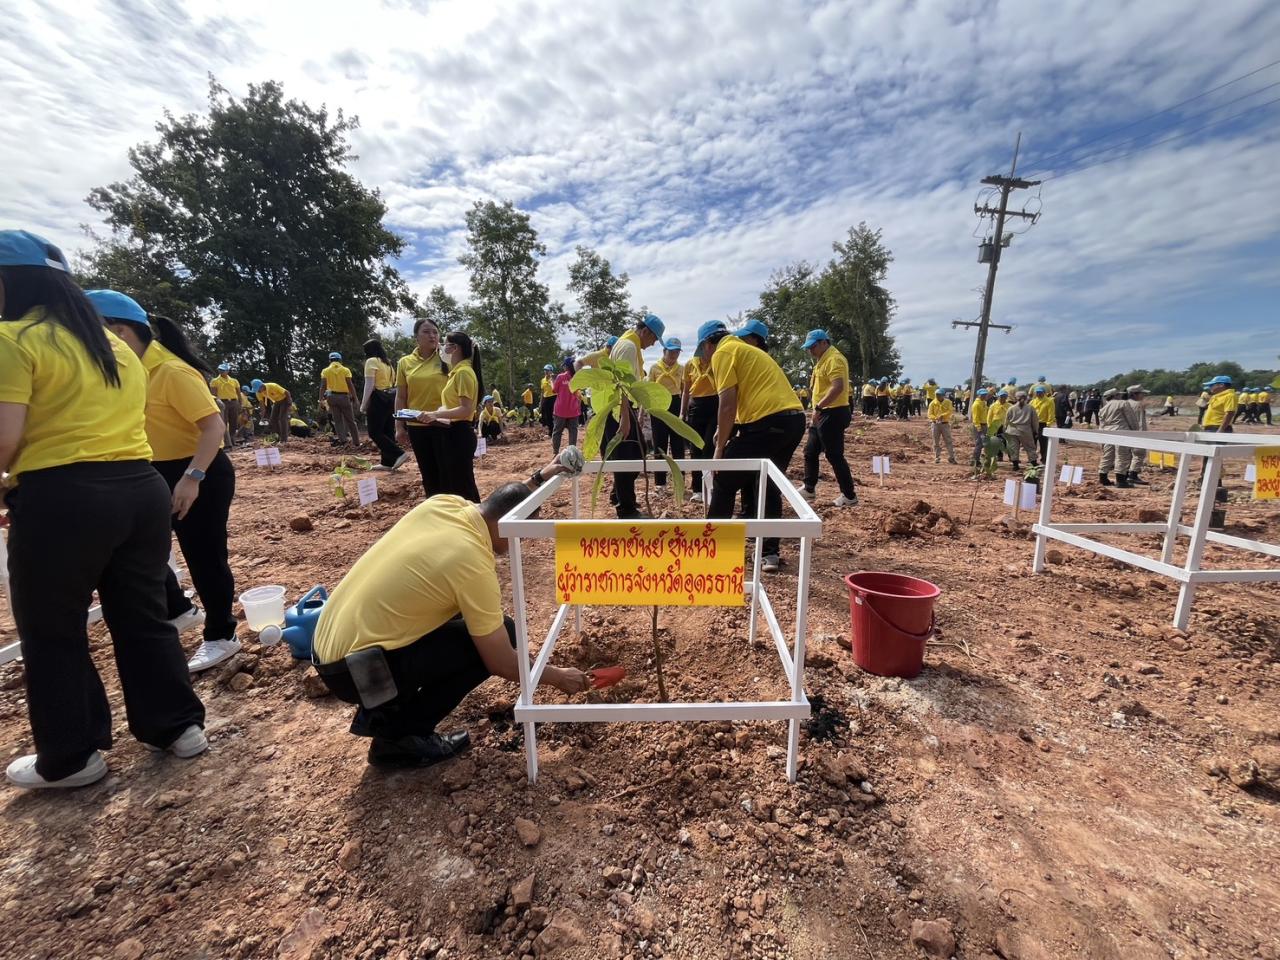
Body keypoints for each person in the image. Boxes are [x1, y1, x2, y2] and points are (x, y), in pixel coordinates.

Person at [0, 230, 205, 788]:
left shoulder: (12, 340)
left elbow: (6, 440)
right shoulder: (113, 348)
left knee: (52, 627)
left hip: (64, 496)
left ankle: (70, 755)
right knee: (142, 613)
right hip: (139, 489)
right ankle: (177, 725)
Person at [312, 457, 590, 768]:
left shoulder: (445, 505)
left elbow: (506, 504)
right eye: (520, 533)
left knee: (490, 626)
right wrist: (557, 677)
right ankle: (398, 738)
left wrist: (539, 477)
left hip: (331, 645)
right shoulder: (472, 564)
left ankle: (385, 708)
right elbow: (501, 663)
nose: (520, 541)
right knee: (488, 645)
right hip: (354, 672)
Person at [89, 290, 242, 673]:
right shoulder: (126, 370)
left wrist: (192, 478)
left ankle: (222, 634)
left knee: (203, 555)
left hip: (198, 471)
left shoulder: (170, 371)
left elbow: (214, 426)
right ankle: (179, 608)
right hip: (155, 469)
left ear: (120, 332)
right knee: (140, 548)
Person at [699, 320, 805, 573]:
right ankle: (770, 554)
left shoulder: (723, 353)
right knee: (767, 485)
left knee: (724, 479)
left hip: (768, 423)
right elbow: (748, 398)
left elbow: (727, 403)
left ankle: (713, 549)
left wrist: (719, 449)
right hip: (792, 421)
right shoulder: (749, 351)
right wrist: (725, 430)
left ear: (707, 345)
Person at [603, 314, 664, 518]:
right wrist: (625, 417)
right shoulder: (629, 347)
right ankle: (625, 509)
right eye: (654, 338)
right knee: (628, 457)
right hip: (620, 409)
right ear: (645, 331)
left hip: (623, 408)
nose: (653, 343)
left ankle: (619, 495)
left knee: (633, 453)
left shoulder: (628, 343)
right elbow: (621, 382)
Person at [416, 331, 482, 502]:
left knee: (463, 488)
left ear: (455, 348)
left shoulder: (463, 373)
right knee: (458, 485)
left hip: (459, 434)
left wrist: (435, 414)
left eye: (445, 344)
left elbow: (465, 410)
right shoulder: (457, 372)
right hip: (452, 432)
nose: (442, 348)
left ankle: (474, 523)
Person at [800, 328, 858, 505]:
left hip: (833, 412)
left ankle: (849, 496)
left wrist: (818, 407)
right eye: (809, 347)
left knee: (834, 455)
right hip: (822, 412)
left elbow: (837, 387)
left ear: (824, 342)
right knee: (810, 451)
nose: (810, 350)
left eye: (814, 346)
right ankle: (809, 488)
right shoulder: (821, 360)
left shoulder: (834, 359)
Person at [395, 316, 447, 497]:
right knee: (428, 472)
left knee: (448, 471)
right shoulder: (405, 362)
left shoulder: (446, 358)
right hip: (417, 426)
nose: (432, 336)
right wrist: (399, 427)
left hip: (444, 423)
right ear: (416, 337)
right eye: (426, 332)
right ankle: (434, 508)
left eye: (435, 332)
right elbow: (401, 396)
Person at [359, 339, 407, 471]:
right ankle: (387, 462)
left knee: (374, 432)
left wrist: (363, 404)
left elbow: (369, 385)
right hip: (390, 398)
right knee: (387, 431)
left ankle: (398, 453)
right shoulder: (388, 363)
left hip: (378, 399)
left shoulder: (371, 361)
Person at [681, 338, 719, 505]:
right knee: (696, 449)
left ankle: (710, 488)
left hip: (715, 405)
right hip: (695, 407)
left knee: (710, 447)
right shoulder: (690, 364)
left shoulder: (717, 362)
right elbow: (685, 392)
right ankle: (697, 489)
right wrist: (682, 413)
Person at [648, 337, 686, 488]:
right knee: (660, 444)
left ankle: (679, 481)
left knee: (678, 444)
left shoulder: (681, 369)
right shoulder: (654, 368)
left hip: (676, 404)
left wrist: (684, 410)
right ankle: (660, 483)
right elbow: (648, 389)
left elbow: (684, 390)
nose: (674, 355)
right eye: (671, 351)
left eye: (677, 352)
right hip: (658, 406)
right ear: (664, 351)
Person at [1098, 387, 1139, 487]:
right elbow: (1131, 419)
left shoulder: (1103, 408)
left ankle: (1103, 478)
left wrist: (1101, 440)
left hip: (1108, 433)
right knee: (1122, 455)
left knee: (1108, 455)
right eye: (1119, 394)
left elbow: (1101, 425)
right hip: (1121, 431)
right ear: (1115, 396)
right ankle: (1121, 481)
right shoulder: (1123, 403)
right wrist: (1135, 431)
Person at [320, 352, 360, 447]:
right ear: (340, 360)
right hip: (344, 397)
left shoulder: (325, 371)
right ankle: (356, 442)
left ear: (330, 360)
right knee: (350, 420)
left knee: (337, 420)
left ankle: (343, 441)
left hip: (331, 397)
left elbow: (323, 387)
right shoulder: (345, 370)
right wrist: (355, 398)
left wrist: (321, 400)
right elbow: (350, 385)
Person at [551, 356, 581, 454]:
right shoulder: (577, 378)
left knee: (557, 432)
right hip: (573, 410)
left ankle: (556, 453)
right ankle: (572, 454)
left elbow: (554, 390)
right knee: (573, 432)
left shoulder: (560, 377)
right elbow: (578, 394)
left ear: (566, 367)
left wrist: (552, 381)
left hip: (560, 411)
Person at [1004, 392, 1040, 471]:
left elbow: (1006, 420)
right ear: (1026, 397)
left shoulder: (1011, 408)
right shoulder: (1030, 408)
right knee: (1030, 447)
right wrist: (1035, 431)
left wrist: (1005, 429)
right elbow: (1034, 421)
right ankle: (1033, 462)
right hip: (1025, 430)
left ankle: (1015, 465)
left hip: (1011, 430)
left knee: (1013, 448)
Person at [252, 378, 292, 445]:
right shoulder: (258, 393)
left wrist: (289, 402)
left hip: (285, 400)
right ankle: (277, 437)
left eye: (258, 389)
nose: (258, 391)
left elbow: (287, 392)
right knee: (272, 420)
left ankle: (284, 439)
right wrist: (262, 416)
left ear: (262, 386)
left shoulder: (273, 386)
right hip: (276, 402)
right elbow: (262, 405)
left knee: (282, 418)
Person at [210, 363, 241, 448]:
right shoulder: (215, 381)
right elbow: (213, 394)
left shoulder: (234, 381)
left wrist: (240, 404)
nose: (221, 371)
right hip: (222, 402)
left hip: (234, 402)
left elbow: (238, 393)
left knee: (234, 422)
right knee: (224, 422)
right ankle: (227, 443)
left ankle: (232, 439)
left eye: (223, 370)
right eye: (220, 370)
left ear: (227, 371)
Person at [1125, 385, 1150, 485]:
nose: (1143, 395)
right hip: (1137, 432)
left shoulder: (1125, 404)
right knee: (1139, 454)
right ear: (1135, 394)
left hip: (1126, 432)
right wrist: (1143, 434)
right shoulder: (1138, 405)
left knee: (1126, 455)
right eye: (1142, 393)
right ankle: (1133, 475)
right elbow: (1141, 422)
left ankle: (1126, 474)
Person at [928, 389, 958, 464]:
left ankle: (951, 457)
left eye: (939, 395)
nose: (938, 396)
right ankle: (937, 457)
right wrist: (935, 418)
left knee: (948, 441)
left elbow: (950, 411)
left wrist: (942, 415)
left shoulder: (948, 402)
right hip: (935, 424)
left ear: (943, 395)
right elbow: (929, 414)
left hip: (945, 424)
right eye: (937, 395)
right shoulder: (933, 403)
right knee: (936, 441)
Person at [1030, 385, 1056, 463]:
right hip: (1033, 424)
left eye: (1040, 392)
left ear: (1044, 393)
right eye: (1037, 392)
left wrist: (1049, 423)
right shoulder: (1033, 401)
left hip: (1043, 424)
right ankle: (1033, 459)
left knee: (1043, 443)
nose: (1039, 394)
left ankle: (1044, 459)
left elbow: (1051, 413)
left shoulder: (1049, 401)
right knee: (1032, 442)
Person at [969, 387, 990, 469]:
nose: (985, 396)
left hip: (984, 425)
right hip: (979, 425)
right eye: (983, 395)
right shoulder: (976, 404)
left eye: (985, 394)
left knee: (982, 444)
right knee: (979, 443)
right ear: (979, 395)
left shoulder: (983, 403)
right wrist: (979, 429)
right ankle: (974, 460)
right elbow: (975, 418)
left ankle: (976, 459)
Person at [986, 390, 1010, 462]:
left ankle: (1011, 456)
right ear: (998, 397)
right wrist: (990, 426)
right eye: (1001, 396)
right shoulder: (993, 406)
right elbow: (989, 417)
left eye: (1004, 397)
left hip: (1006, 426)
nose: (1002, 398)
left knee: (1008, 441)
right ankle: (999, 456)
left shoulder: (1010, 406)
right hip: (996, 426)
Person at [539, 364, 557, 436]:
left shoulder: (554, 378)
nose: (545, 372)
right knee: (548, 416)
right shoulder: (543, 380)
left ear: (551, 371)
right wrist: (541, 402)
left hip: (554, 397)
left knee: (555, 415)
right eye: (545, 370)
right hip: (546, 398)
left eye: (547, 370)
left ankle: (557, 430)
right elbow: (542, 392)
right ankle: (551, 431)